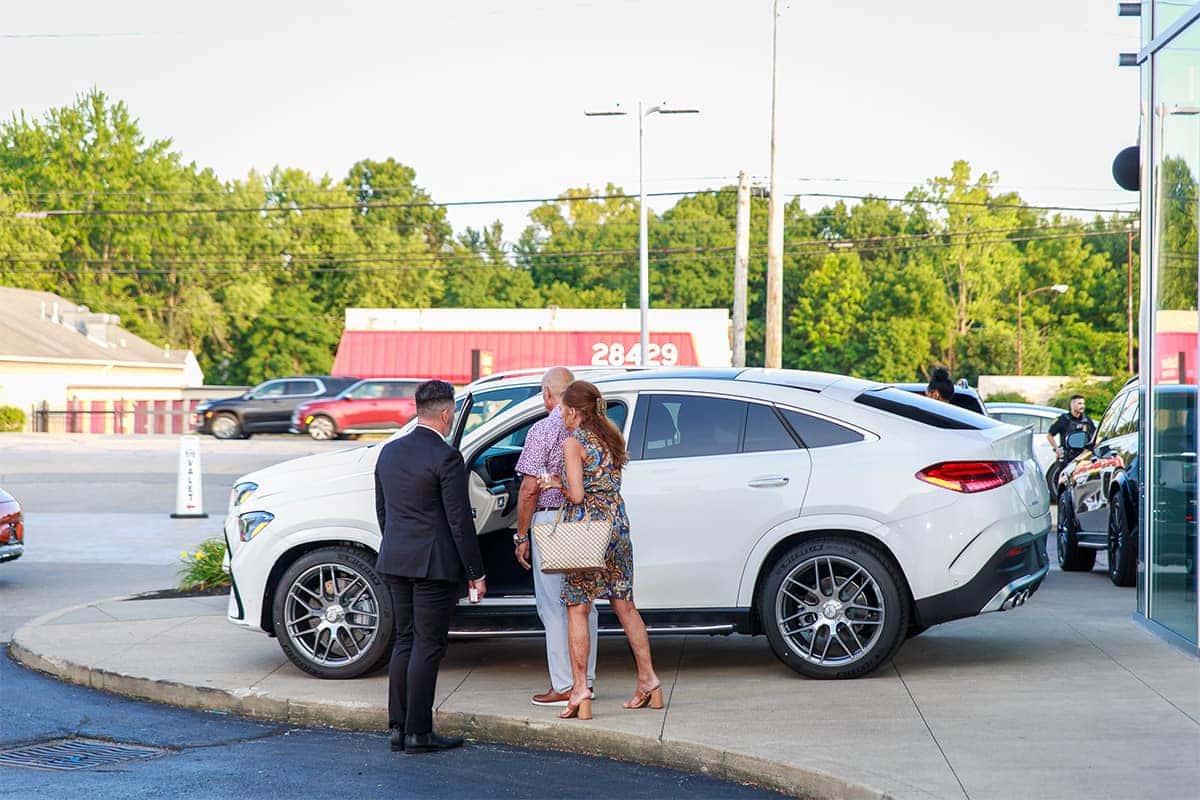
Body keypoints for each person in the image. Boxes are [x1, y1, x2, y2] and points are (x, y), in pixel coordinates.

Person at [374, 379, 487, 754]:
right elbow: (459, 521)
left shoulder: (389, 452)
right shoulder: (446, 457)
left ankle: (398, 728)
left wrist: (396, 547)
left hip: (395, 558)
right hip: (433, 564)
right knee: (428, 644)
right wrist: (475, 571)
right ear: (447, 413)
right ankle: (419, 733)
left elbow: (384, 512)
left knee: (404, 640)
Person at [541, 380, 661, 721]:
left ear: (575, 411)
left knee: (577, 607)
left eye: (564, 410)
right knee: (625, 605)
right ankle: (648, 679)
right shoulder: (611, 437)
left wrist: (554, 484)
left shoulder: (573, 442)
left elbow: (577, 496)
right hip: (617, 526)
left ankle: (580, 688)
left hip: (586, 532)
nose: (562, 416)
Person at [513, 367, 598, 707]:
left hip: (551, 524)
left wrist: (521, 535)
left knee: (555, 607)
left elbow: (529, 488)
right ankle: (585, 681)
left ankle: (564, 684)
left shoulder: (542, 430)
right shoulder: (592, 430)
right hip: (588, 524)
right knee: (585, 606)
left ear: (548, 394)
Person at [1047, 394, 1096, 465]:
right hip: (1068, 457)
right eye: (1079, 403)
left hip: (1083, 456)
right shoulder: (1063, 419)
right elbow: (1049, 435)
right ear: (1072, 405)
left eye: (1083, 404)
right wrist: (1057, 449)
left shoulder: (1086, 419)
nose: (1082, 406)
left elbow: (1095, 435)